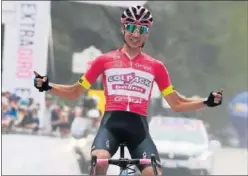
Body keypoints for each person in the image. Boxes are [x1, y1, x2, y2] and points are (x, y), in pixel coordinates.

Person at [33, 5, 223, 176]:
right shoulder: (103, 61)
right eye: (131, 28)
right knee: (100, 161)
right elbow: (75, 92)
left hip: (138, 128)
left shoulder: (156, 66)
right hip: (111, 125)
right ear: (123, 28)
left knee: (153, 172)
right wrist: (48, 86)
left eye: (142, 30)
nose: (136, 34)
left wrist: (206, 102)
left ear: (147, 33)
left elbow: (177, 103)